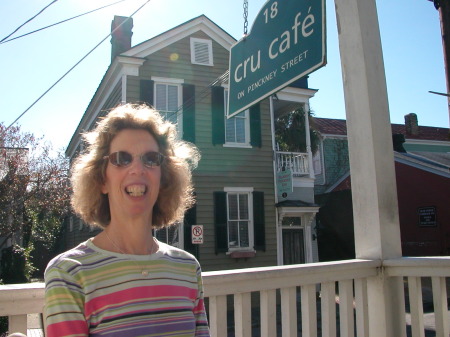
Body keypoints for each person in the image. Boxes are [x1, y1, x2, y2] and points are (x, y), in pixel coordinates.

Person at [44, 104, 209, 337]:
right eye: (121, 159)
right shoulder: (69, 273)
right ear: (101, 179)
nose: (137, 169)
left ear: (163, 178)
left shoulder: (188, 268)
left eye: (151, 159)